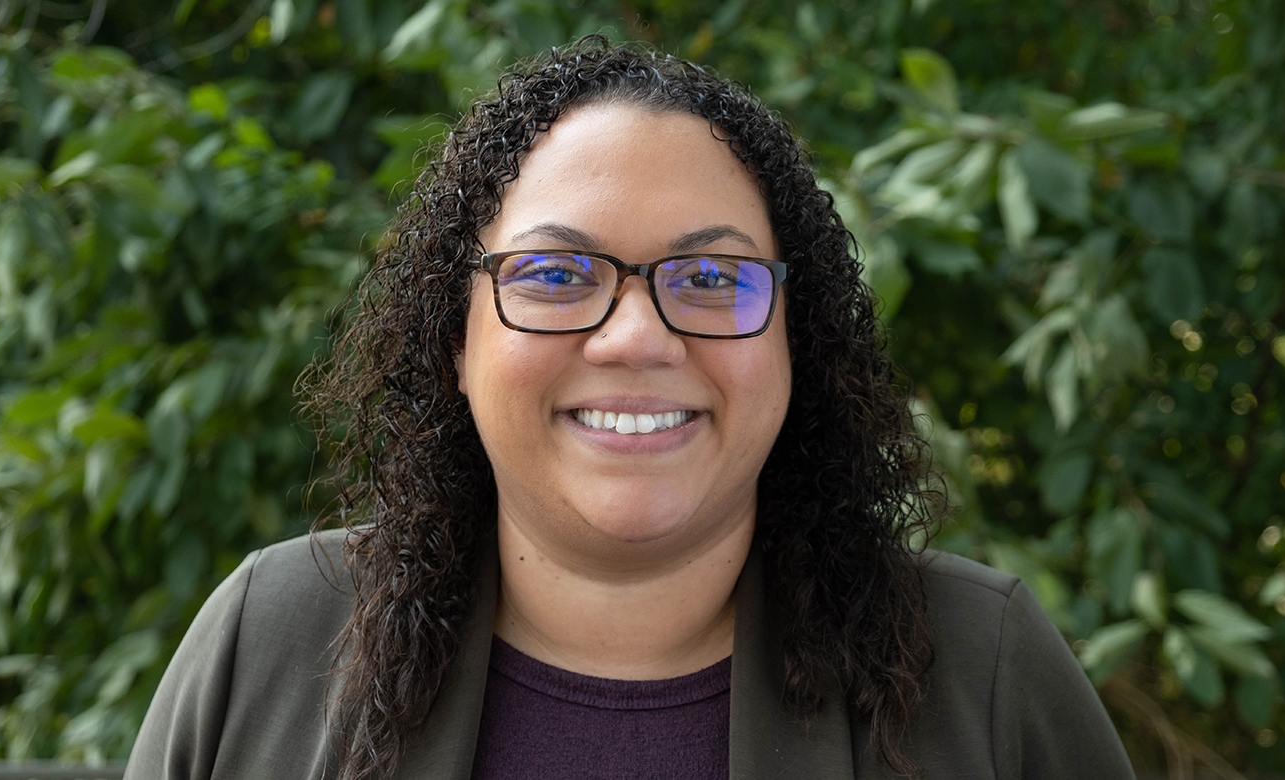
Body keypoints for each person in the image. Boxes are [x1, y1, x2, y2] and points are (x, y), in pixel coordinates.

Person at [126, 38, 1135, 780]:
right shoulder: (271, 638)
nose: (636, 338)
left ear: (797, 340)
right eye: (557, 273)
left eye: (708, 276)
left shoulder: (980, 669)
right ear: (457, 342)